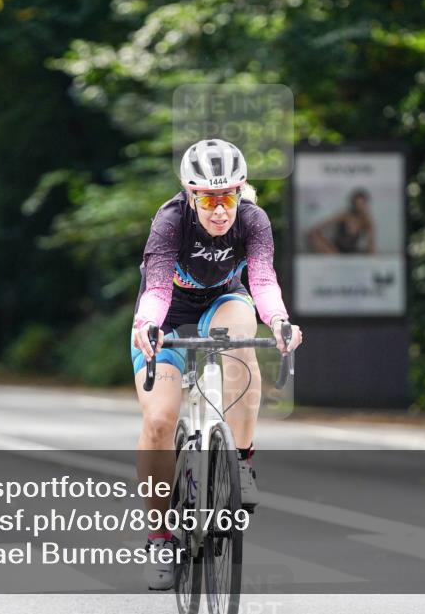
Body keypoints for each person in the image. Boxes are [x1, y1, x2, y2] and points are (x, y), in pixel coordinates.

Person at [130, 139, 303, 589]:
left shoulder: (253, 220)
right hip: (168, 315)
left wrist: (280, 320)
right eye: (209, 198)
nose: (220, 209)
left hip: (223, 301)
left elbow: (262, 278)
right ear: (191, 195)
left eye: (228, 196)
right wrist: (148, 323)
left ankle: (241, 461)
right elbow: (155, 288)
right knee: (159, 421)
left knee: (243, 344)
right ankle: (161, 536)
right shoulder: (170, 222)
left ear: (240, 192)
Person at [308, 188, 377, 254]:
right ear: (353, 204)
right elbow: (321, 225)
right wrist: (320, 238)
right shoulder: (345, 215)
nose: (360, 206)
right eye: (358, 204)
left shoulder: (367, 220)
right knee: (313, 236)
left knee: (369, 252)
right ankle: (335, 257)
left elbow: (371, 244)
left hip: (352, 251)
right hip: (335, 250)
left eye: (362, 204)